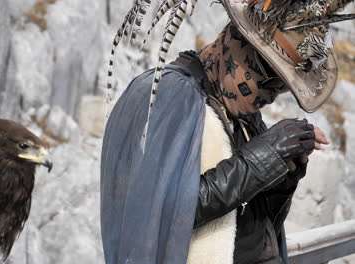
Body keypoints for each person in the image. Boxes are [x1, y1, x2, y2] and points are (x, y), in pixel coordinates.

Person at [101, 0, 353, 264]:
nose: (271, 96)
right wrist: (262, 159)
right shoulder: (169, 94)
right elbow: (158, 209)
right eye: (269, 77)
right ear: (236, 48)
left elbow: (253, 228)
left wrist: (282, 179)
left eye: (281, 88)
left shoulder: (243, 117)